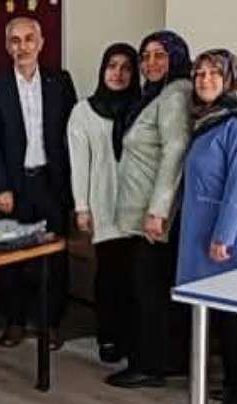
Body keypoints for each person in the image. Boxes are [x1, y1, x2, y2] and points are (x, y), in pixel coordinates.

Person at [177, 49, 237, 404]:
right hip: (211, 232)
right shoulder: (208, 120)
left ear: (232, 79)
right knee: (228, 319)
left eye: (215, 73)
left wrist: (224, 236)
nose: (205, 80)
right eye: (199, 74)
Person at [0, 16, 76, 349]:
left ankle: (50, 324)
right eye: (15, 40)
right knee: (14, 257)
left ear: (41, 43)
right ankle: (16, 322)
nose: (22, 47)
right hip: (15, 184)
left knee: (54, 257)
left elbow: (71, 134)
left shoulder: (59, 81)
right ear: (7, 46)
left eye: (29, 39)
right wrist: (0, 187)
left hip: (51, 182)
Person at [106, 31, 192, 388]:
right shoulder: (155, 95)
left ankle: (149, 366)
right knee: (153, 288)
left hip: (154, 216)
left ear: (176, 57)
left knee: (148, 292)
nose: (150, 63)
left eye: (160, 55)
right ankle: (166, 360)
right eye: (146, 56)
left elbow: (176, 150)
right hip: (145, 211)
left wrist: (158, 211)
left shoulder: (175, 94)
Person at [67, 43, 140, 363]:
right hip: (103, 204)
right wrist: (82, 206)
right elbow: (79, 163)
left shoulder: (143, 108)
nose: (118, 73)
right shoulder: (84, 112)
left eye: (126, 67)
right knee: (109, 274)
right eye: (112, 66)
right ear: (102, 70)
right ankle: (109, 337)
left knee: (136, 278)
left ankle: (134, 339)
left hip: (139, 207)